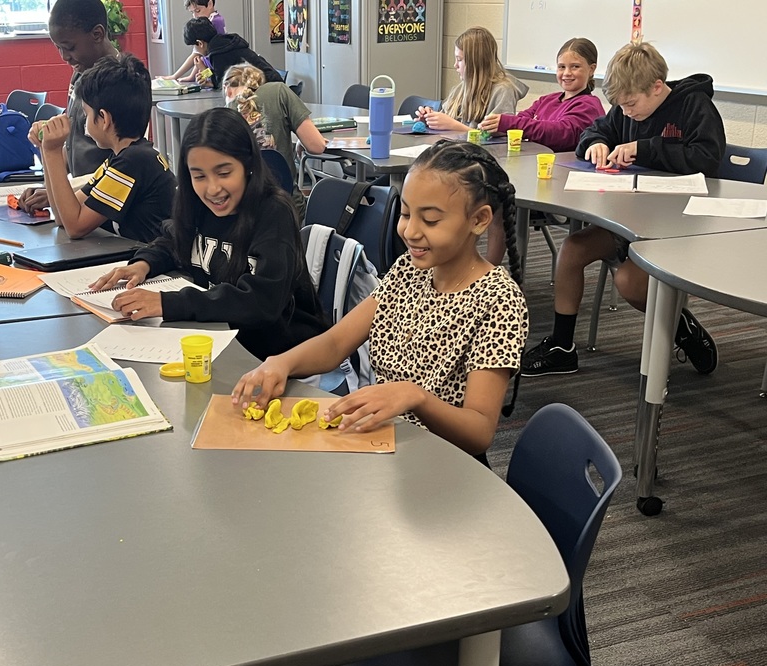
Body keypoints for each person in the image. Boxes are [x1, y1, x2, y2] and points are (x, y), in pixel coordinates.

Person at [231, 139, 529, 459]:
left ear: (479, 220)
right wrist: (282, 363)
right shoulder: (409, 270)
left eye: (429, 220)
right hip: (385, 444)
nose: (410, 231)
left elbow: (479, 432)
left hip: (442, 462)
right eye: (405, 213)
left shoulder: (499, 301)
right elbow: (335, 344)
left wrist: (416, 397)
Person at [521, 41, 726, 378]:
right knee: (571, 251)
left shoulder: (693, 106)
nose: (626, 112)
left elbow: (706, 159)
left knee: (630, 282)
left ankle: (681, 327)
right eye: (621, 105)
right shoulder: (625, 107)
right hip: (630, 217)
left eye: (631, 104)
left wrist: (644, 149)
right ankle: (562, 347)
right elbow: (594, 130)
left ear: (657, 87)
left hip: (678, 226)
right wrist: (596, 144)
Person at [88, 108, 327, 361]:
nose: (212, 189)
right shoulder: (195, 202)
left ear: (248, 165)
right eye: (199, 176)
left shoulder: (273, 212)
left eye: (224, 173)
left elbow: (261, 302)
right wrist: (144, 263)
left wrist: (168, 304)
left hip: (279, 356)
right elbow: (175, 241)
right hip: (222, 341)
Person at [38, 54, 175, 243]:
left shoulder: (133, 162)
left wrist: (53, 153)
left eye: (86, 114)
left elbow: (75, 226)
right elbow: (63, 216)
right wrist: (47, 151)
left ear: (104, 119)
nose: (85, 122)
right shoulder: (120, 158)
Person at [18, 0, 119, 216]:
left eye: (70, 47)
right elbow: (74, 143)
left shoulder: (122, 83)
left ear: (97, 34)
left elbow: (122, 165)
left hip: (103, 206)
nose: (64, 57)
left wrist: (65, 193)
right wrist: (54, 187)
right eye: (58, 48)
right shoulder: (81, 72)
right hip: (79, 197)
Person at [222, 63, 327, 219]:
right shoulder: (279, 91)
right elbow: (317, 146)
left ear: (227, 89)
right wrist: (301, 140)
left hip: (244, 213)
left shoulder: (223, 116)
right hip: (288, 208)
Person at [478, 37, 605, 152]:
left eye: (575, 67)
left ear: (591, 69)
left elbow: (559, 133)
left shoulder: (589, 105)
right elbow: (522, 119)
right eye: (561, 67)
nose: (566, 73)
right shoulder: (547, 100)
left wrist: (510, 123)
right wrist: (498, 128)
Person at [415, 27, 529, 133]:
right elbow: (445, 119)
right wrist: (430, 119)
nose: (455, 65)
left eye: (459, 59)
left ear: (476, 63)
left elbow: (497, 139)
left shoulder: (503, 91)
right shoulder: (460, 89)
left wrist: (453, 126)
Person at [182, 16, 284, 90]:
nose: (194, 50)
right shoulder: (224, 44)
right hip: (273, 83)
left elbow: (220, 83)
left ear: (200, 43)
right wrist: (205, 75)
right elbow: (219, 79)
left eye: (194, 46)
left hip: (269, 88)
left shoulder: (218, 52)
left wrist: (204, 70)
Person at [165, 0, 227, 82]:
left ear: (210, 4)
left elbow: (198, 54)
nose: (195, 16)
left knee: (212, 79)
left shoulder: (214, 22)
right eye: (192, 12)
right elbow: (199, 54)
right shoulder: (213, 20)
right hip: (215, 70)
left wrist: (175, 76)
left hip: (218, 72)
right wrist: (192, 76)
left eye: (198, 11)